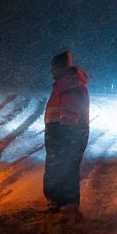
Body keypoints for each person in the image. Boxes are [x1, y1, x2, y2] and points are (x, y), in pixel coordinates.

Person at [43, 50, 90, 222]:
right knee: (58, 167)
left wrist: (66, 135)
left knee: (66, 169)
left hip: (67, 133)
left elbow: (70, 111)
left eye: (53, 68)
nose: (51, 71)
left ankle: (69, 208)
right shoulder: (64, 83)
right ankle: (58, 202)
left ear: (61, 68)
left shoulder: (70, 84)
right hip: (61, 133)